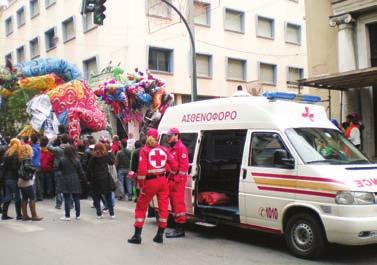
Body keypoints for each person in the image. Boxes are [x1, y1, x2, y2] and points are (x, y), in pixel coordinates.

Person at [128, 128, 178, 244]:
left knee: (141, 207)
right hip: (163, 181)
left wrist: (141, 185)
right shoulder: (164, 150)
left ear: (147, 137)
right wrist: (169, 175)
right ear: (157, 137)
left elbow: (141, 170)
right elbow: (175, 166)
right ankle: (160, 235)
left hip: (150, 183)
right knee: (163, 207)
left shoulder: (145, 151)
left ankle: (137, 236)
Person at [165, 127, 189, 238]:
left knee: (178, 205)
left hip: (177, 182)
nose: (168, 138)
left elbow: (184, 168)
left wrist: (177, 180)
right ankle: (177, 227)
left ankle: (180, 229)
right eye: (168, 136)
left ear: (176, 135)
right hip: (171, 180)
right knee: (174, 205)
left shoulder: (181, 148)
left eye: (170, 136)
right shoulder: (172, 149)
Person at [87, 143, 116, 219]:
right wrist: (109, 152)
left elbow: (89, 169)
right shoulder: (106, 156)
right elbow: (112, 162)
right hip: (105, 178)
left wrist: (89, 179)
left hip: (95, 179)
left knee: (96, 197)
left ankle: (99, 214)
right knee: (108, 196)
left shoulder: (93, 157)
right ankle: (112, 213)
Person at [56, 145, 85, 221]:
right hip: (75, 179)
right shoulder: (77, 160)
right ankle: (78, 215)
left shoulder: (62, 160)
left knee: (67, 198)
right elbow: (81, 172)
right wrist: (84, 180)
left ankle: (67, 215)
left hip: (65, 179)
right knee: (76, 198)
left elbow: (58, 170)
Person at [2, 138, 23, 220]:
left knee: (8, 196)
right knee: (17, 196)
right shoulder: (15, 154)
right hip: (13, 178)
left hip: (6, 177)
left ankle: (4, 214)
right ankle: (19, 215)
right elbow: (15, 168)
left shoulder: (7, 153)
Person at [30, 134, 43, 201]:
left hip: (34, 166)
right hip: (38, 165)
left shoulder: (32, 148)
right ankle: (40, 196)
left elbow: (31, 157)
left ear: (32, 141)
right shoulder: (38, 147)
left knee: (33, 182)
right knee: (37, 181)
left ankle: (34, 197)